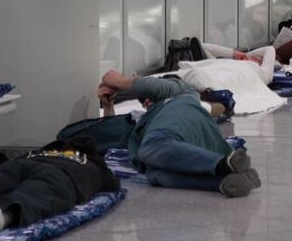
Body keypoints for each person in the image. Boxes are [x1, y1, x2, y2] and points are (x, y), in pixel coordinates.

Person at [97, 71, 261, 198]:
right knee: (156, 175)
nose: (146, 101)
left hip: (182, 130)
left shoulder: (182, 92)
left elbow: (153, 86)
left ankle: (222, 164)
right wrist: (108, 106)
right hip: (185, 150)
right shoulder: (143, 122)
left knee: (154, 145)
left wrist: (117, 81)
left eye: (149, 97)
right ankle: (226, 180)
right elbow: (114, 133)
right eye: (144, 101)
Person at [0, 135, 120, 234]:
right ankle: (2, 217)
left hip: (23, 163)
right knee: (34, 194)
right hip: (60, 174)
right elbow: (114, 185)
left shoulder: (43, 151)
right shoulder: (94, 164)